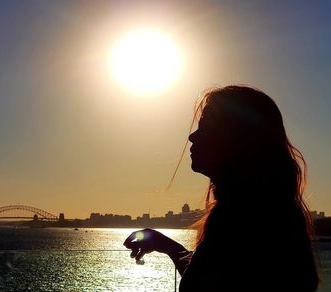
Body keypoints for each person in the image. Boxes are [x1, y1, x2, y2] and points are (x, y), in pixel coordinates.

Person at [123, 85, 319, 291]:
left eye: (206, 127)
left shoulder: (239, 217)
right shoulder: (274, 214)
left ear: (239, 140)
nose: (193, 136)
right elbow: (209, 279)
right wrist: (168, 246)